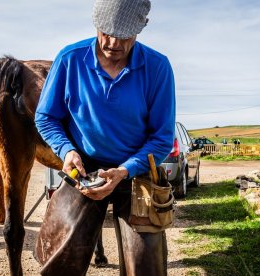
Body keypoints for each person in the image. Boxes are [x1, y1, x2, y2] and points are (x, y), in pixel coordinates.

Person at [35, 0, 175, 274]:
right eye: (106, 32)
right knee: (60, 255)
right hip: (84, 169)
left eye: (124, 36)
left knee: (146, 265)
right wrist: (66, 151)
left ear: (140, 28)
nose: (113, 43)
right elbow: (46, 117)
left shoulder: (158, 67)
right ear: (96, 24)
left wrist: (124, 171)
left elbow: (161, 138)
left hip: (138, 170)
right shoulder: (70, 59)